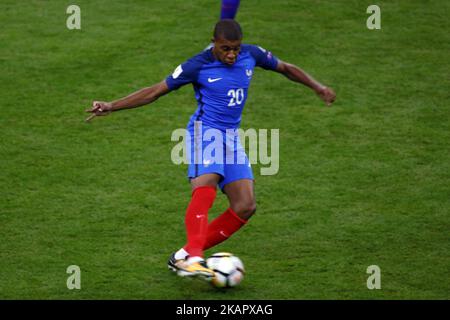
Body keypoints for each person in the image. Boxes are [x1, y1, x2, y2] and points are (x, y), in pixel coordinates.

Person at [85, 19, 336, 280]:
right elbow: (155, 91)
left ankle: (182, 256)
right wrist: (111, 105)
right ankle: (195, 258)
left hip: (231, 138)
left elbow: (286, 68)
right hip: (204, 132)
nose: (231, 54)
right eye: (226, 48)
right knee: (207, 181)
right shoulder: (198, 65)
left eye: (235, 49)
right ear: (214, 42)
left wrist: (318, 87)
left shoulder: (252, 54)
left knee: (245, 205)